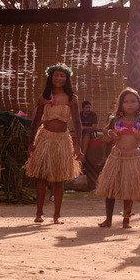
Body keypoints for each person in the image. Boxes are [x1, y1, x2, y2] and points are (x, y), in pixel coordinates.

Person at [25, 63, 83, 224]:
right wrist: (31, 143)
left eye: (62, 75)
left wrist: (78, 145)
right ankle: (39, 213)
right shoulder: (43, 97)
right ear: (51, 77)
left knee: (58, 179)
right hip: (44, 138)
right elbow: (36, 122)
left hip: (63, 140)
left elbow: (77, 123)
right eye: (56, 75)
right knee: (42, 177)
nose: (59, 78)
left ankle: (57, 215)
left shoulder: (72, 99)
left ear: (67, 78)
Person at [97, 88, 140, 229]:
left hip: (133, 157)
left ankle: (126, 220)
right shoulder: (117, 119)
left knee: (129, 191)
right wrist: (110, 132)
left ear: (138, 103)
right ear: (121, 104)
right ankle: (108, 220)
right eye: (126, 102)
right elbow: (104, 130)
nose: (130, 105)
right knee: (110, 189)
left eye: (133, 101)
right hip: (117, 156)